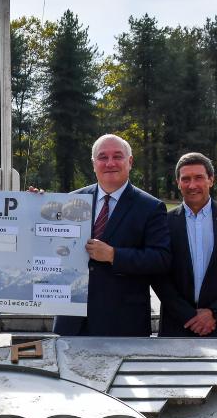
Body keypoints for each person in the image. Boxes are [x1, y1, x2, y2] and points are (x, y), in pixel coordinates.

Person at [53, 134, 171, 337]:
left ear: (130, 161)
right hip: (71, 321)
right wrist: (34, 205)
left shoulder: (151, 207)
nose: (110, 163)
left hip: (122, 322)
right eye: (102, 157)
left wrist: (114, 255)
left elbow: (160, 259)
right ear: (93, 164)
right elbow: (46, 241)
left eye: (117, 156)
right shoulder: (70, 201)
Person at [155, 152, 217, 337]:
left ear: (211, 180)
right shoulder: (164, 222)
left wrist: (214, 312)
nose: (192, 185)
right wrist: (188, 315)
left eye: (199, 178)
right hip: (178, 326)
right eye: (186, 179)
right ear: (178, 183)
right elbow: (159, 275)